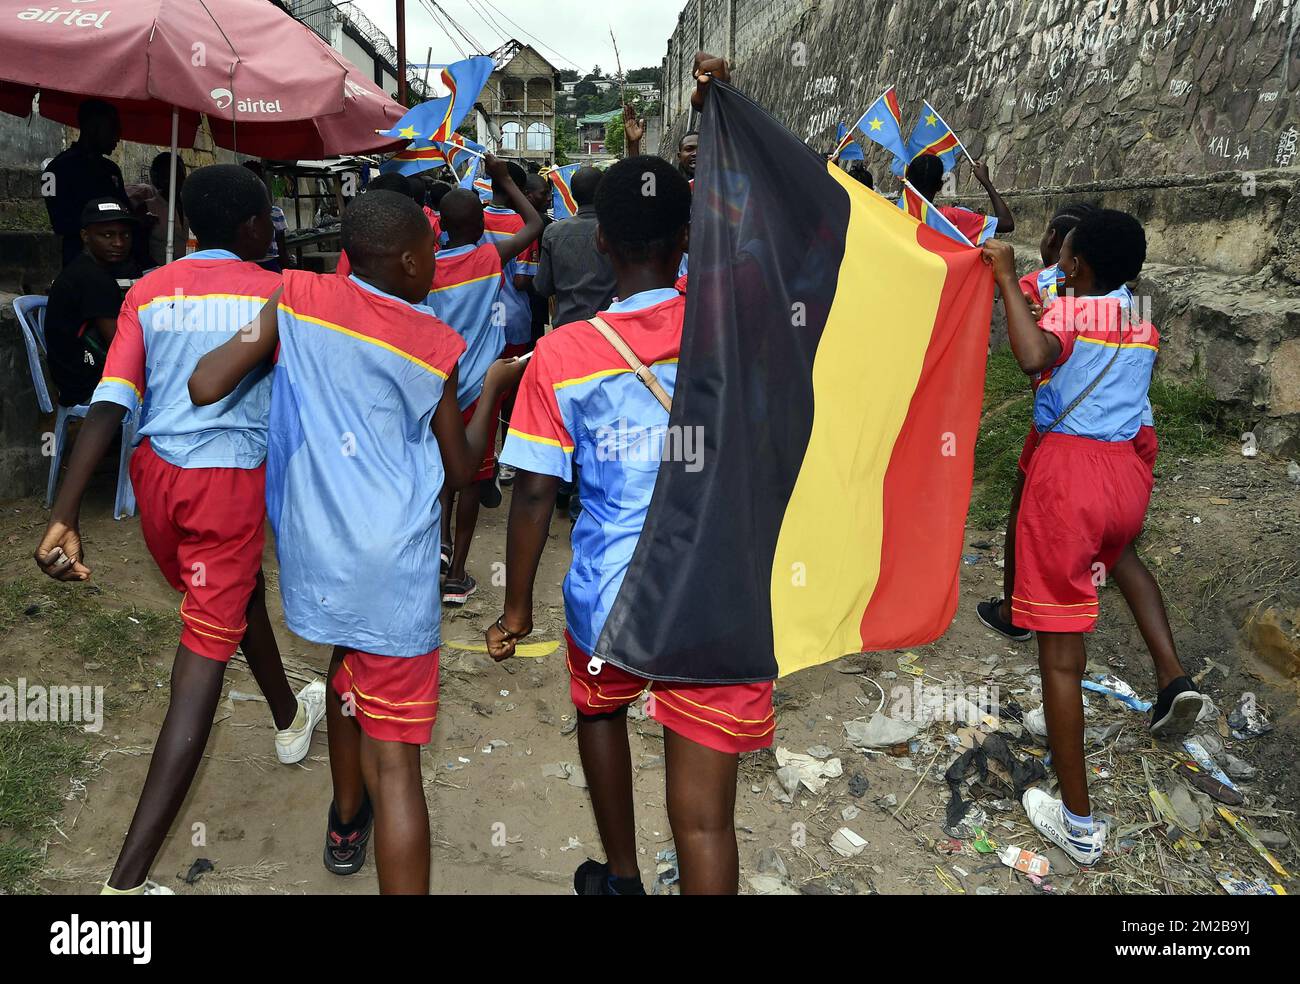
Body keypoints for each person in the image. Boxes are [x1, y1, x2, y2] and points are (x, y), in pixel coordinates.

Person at [487, 53, 772, 898]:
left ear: (599, 241)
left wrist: (514, 608)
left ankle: (617, 874)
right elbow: (769, 222)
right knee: (708, 824)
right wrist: (715, 107)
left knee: (599, 711)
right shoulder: (735, 322)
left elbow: (535, 491)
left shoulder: (562, 356)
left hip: (614, 595)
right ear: (688, 240)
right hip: (720, 589)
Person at [188, 189, 526, 894]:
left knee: (347, 667)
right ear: (407, 260)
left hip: (314, 551)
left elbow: (204, 382)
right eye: (431, 252)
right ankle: (367, 815)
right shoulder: (436, 343)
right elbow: (461, 471)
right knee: (398, 759)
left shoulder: (296, 296)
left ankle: (347, 817)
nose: (437, 261)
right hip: (393, 561)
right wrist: (494, 389)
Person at [33, 165, 323, 896]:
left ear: (190, 228)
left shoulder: (148, 290)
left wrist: (65, 511)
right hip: (225, 482)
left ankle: (290, 718)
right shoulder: (278, 293)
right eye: (270, 219)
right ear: (257, 228)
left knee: (226, 595)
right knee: (202, 653)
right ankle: (125, 884)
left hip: (155, 478)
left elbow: (110, 401)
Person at [982, 209, 1206, 866]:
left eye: (1065, 258)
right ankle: (1173, 677)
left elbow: (1031, 356)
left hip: (1070, 480)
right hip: (1126, 480)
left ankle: (1078, 824)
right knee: (1123, 556)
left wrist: (1003, 276)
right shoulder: (1140, 321)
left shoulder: (1073, 312)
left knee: (1060, 660)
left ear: (1076, 266)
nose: (1059, 267)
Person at [426, 160, 543, 605]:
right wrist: (507, 181)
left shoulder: (426, 269)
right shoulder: (488, 257)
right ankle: (457, 576)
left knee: (439, 471)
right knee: (473, 477)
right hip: (481, 387)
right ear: (480, 228)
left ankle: (438, 545)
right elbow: (534, 223)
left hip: (439, 387)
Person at [43, 198, 141, 407]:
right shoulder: (93, 280)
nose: (118, 243)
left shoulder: (85, 269)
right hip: (87, 387)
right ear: (85, 236)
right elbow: (121, 345)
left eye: (125, 234)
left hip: (72, 378)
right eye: (107, 235)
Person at [43, 99, 127, 267]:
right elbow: (59, 222)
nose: (117, 137)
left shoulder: (112, 170)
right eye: (112, 129)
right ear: (92, 127)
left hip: (117, 261)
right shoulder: (55, 170)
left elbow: (125, 209)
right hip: (78, 260)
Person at [534, 166, 616, 329]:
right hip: (610, 329)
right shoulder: (618, 230)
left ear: (572, 194)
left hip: (567, 327)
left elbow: (542, 287)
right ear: (603, 192)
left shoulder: (553, 232)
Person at [905, 152, 1014, 244]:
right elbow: (1007, 223)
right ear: (940, 185)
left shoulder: (898, 214)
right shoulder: (951, 217)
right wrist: (986, 181)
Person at [241, 160, 290, 272]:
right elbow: (281, 246)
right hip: (247, 265)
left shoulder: (275, 212)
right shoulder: (236, 212)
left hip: (267, 263)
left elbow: (281, 245)